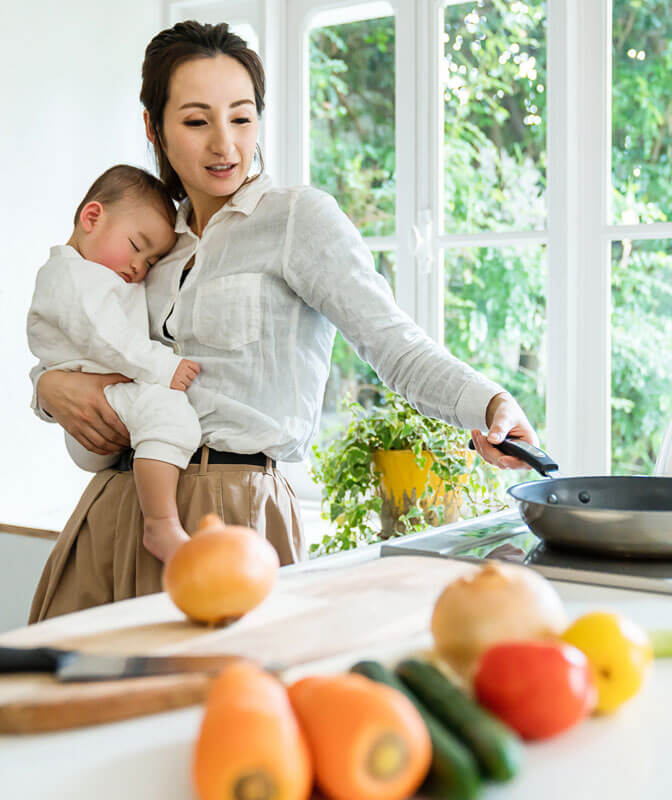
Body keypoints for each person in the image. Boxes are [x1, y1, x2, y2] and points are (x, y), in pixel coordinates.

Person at [28, 20, 538, 623]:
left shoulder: (299, 219)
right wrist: (47, 389)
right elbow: (77, 333)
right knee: (66, 710)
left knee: (227, 710)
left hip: (232, 515)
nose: (225, 145)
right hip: (111, 509)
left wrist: (488, 404)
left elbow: (392, 341)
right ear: (153, 127)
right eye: (197, 121)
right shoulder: (151, 241)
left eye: (241, 118)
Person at [27, 165, 202, 564]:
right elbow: (107, 338)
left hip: (99, 413)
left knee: (163, 413)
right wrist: (162, 367)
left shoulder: (97, 275)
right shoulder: (73, 276)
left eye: (152, 260)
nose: (140, 266)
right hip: (96, 407)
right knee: (171, 411)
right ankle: (161, 524)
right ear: (92, 217)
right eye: (136, 246)